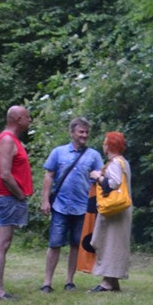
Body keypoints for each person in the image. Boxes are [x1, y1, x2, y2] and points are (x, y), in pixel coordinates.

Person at [39, 117, 102, 292]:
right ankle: (47, 283)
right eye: (81, 132)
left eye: (86, 132)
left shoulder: (94, 155)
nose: (84, 135)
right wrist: (45, 200)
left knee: (76, 245)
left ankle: (69, 281)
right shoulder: (58, 152)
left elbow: (100, 178)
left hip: (82, 208)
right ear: (72, 133)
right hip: (60, 206)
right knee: (54, 244)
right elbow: (49, 176)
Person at [0, 105, 34, 301]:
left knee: (3, 243)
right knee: (2, 243)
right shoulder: (7, 139)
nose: (30, 120)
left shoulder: (12, 139)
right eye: (27, 117)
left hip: (10, 197)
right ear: (18, 119)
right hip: (9, 197)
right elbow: (5, 174)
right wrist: (20, 195)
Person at [89, 132, 132, 293]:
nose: (103, 145)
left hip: (114, 209)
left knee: (109, 243)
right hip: (121, 209)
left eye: (105, 143)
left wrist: (97, 176)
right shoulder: (123, 162)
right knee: (115, 244)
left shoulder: (114, 163)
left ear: (109, 146)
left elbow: (113, 183)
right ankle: (113, 281)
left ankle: (107, 282)